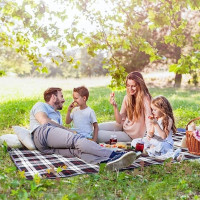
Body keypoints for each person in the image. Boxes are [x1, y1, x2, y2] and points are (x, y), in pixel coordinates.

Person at [30, 87, 137, 171]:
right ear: (53, 97)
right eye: (61, 96)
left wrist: (66, 130)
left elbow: (58, 132)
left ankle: (106, 162)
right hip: (42, 132)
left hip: (45, 147)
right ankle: (113, 154)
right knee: (77, 139)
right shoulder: (40, 105)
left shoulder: (57, 114)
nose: (64, 99)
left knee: (77, 151)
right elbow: (44, 121)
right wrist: (68, 131)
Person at [98, 71, 152, 143]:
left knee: (97, 135)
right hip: (123, 126)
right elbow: (119, 121)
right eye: (128, 85)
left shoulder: (145, 99)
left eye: (133, 86)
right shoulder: (127, 98)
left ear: (139, 85)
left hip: (131, 136)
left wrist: (149, 138)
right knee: (95, 128)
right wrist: (115, 106)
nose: (130, 88)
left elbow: (149, 120)